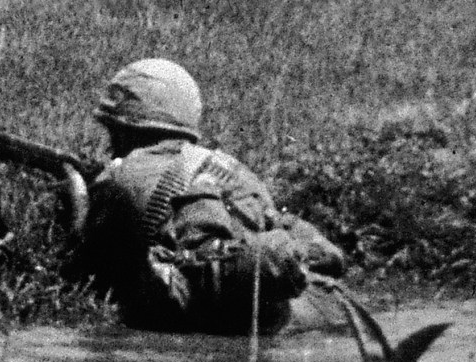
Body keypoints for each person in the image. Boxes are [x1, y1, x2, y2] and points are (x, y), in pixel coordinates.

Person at [71, 59, 346, 335]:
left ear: (123, 128)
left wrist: (76, 192)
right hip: (296, 312)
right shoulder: (232, 167)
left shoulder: (121, 175)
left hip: (210, 318)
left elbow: (88, 257)